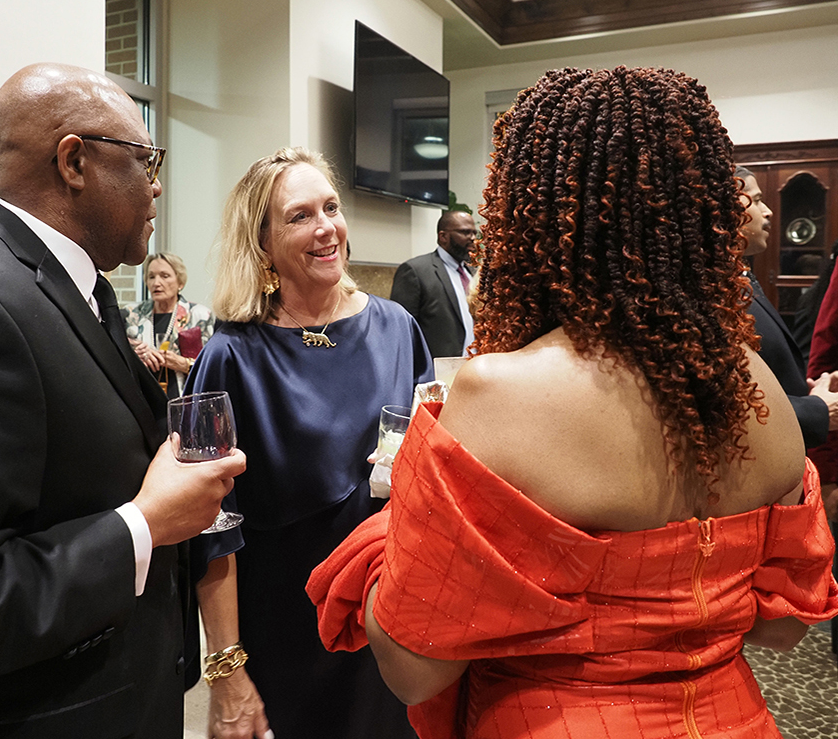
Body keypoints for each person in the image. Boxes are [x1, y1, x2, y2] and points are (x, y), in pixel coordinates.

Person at [308, 67, 838, 739]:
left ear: (528, 213)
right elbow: (784, 625)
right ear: (702, 208)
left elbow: (414, 667)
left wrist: (399, 527)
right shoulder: (760, 390)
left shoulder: (498, 394)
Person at [0, 63, 244, 738]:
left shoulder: (82, 292)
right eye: (145, 158)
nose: (157, 182)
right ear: (75, 161)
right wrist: (143, 524)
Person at [186, 147, 433, 739]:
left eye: (331, 207)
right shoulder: (229, 356)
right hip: (287, 635)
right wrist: (226, 668)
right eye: (300, 216)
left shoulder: (398, 327)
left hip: (391, 628)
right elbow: (207, 525)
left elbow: (437, 461)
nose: (326, 228)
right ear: (262, 244)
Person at [736, 165, 838, 450]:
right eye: (755, 201)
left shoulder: (741, 278)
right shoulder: (714, 293)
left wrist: (811, 392)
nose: (768, 211)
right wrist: (817, 410)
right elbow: (732, 404)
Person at [125, 252, 215, 396]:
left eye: (164, 276)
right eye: (151, 277)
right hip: (143, 399)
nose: (156, 283)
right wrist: (135, 357)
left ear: (180, 283)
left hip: (184, 399)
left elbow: (212, 368)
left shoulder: (200, 315)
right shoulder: (131, 315)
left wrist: (183, 364)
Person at [390, 210, 478, 357]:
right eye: (465, 232)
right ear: (443, 236)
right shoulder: (416, 271)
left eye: (474, 233)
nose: (473, 238)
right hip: (437, 370)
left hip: (475, 365)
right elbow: (401, 331)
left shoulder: (473, 272)